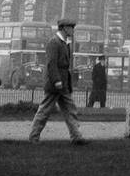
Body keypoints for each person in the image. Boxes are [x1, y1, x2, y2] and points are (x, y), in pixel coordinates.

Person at [28, 16, 86, 144]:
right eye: (71, 28)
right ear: (65, 28)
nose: (73, 30)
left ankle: (76, 137)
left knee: (70, 110)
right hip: (55, 84)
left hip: (63, 84)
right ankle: (33, 137)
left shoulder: (64, 43)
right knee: (44, 111)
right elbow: (51, 64)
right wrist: (56, 81)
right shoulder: (54, 42)